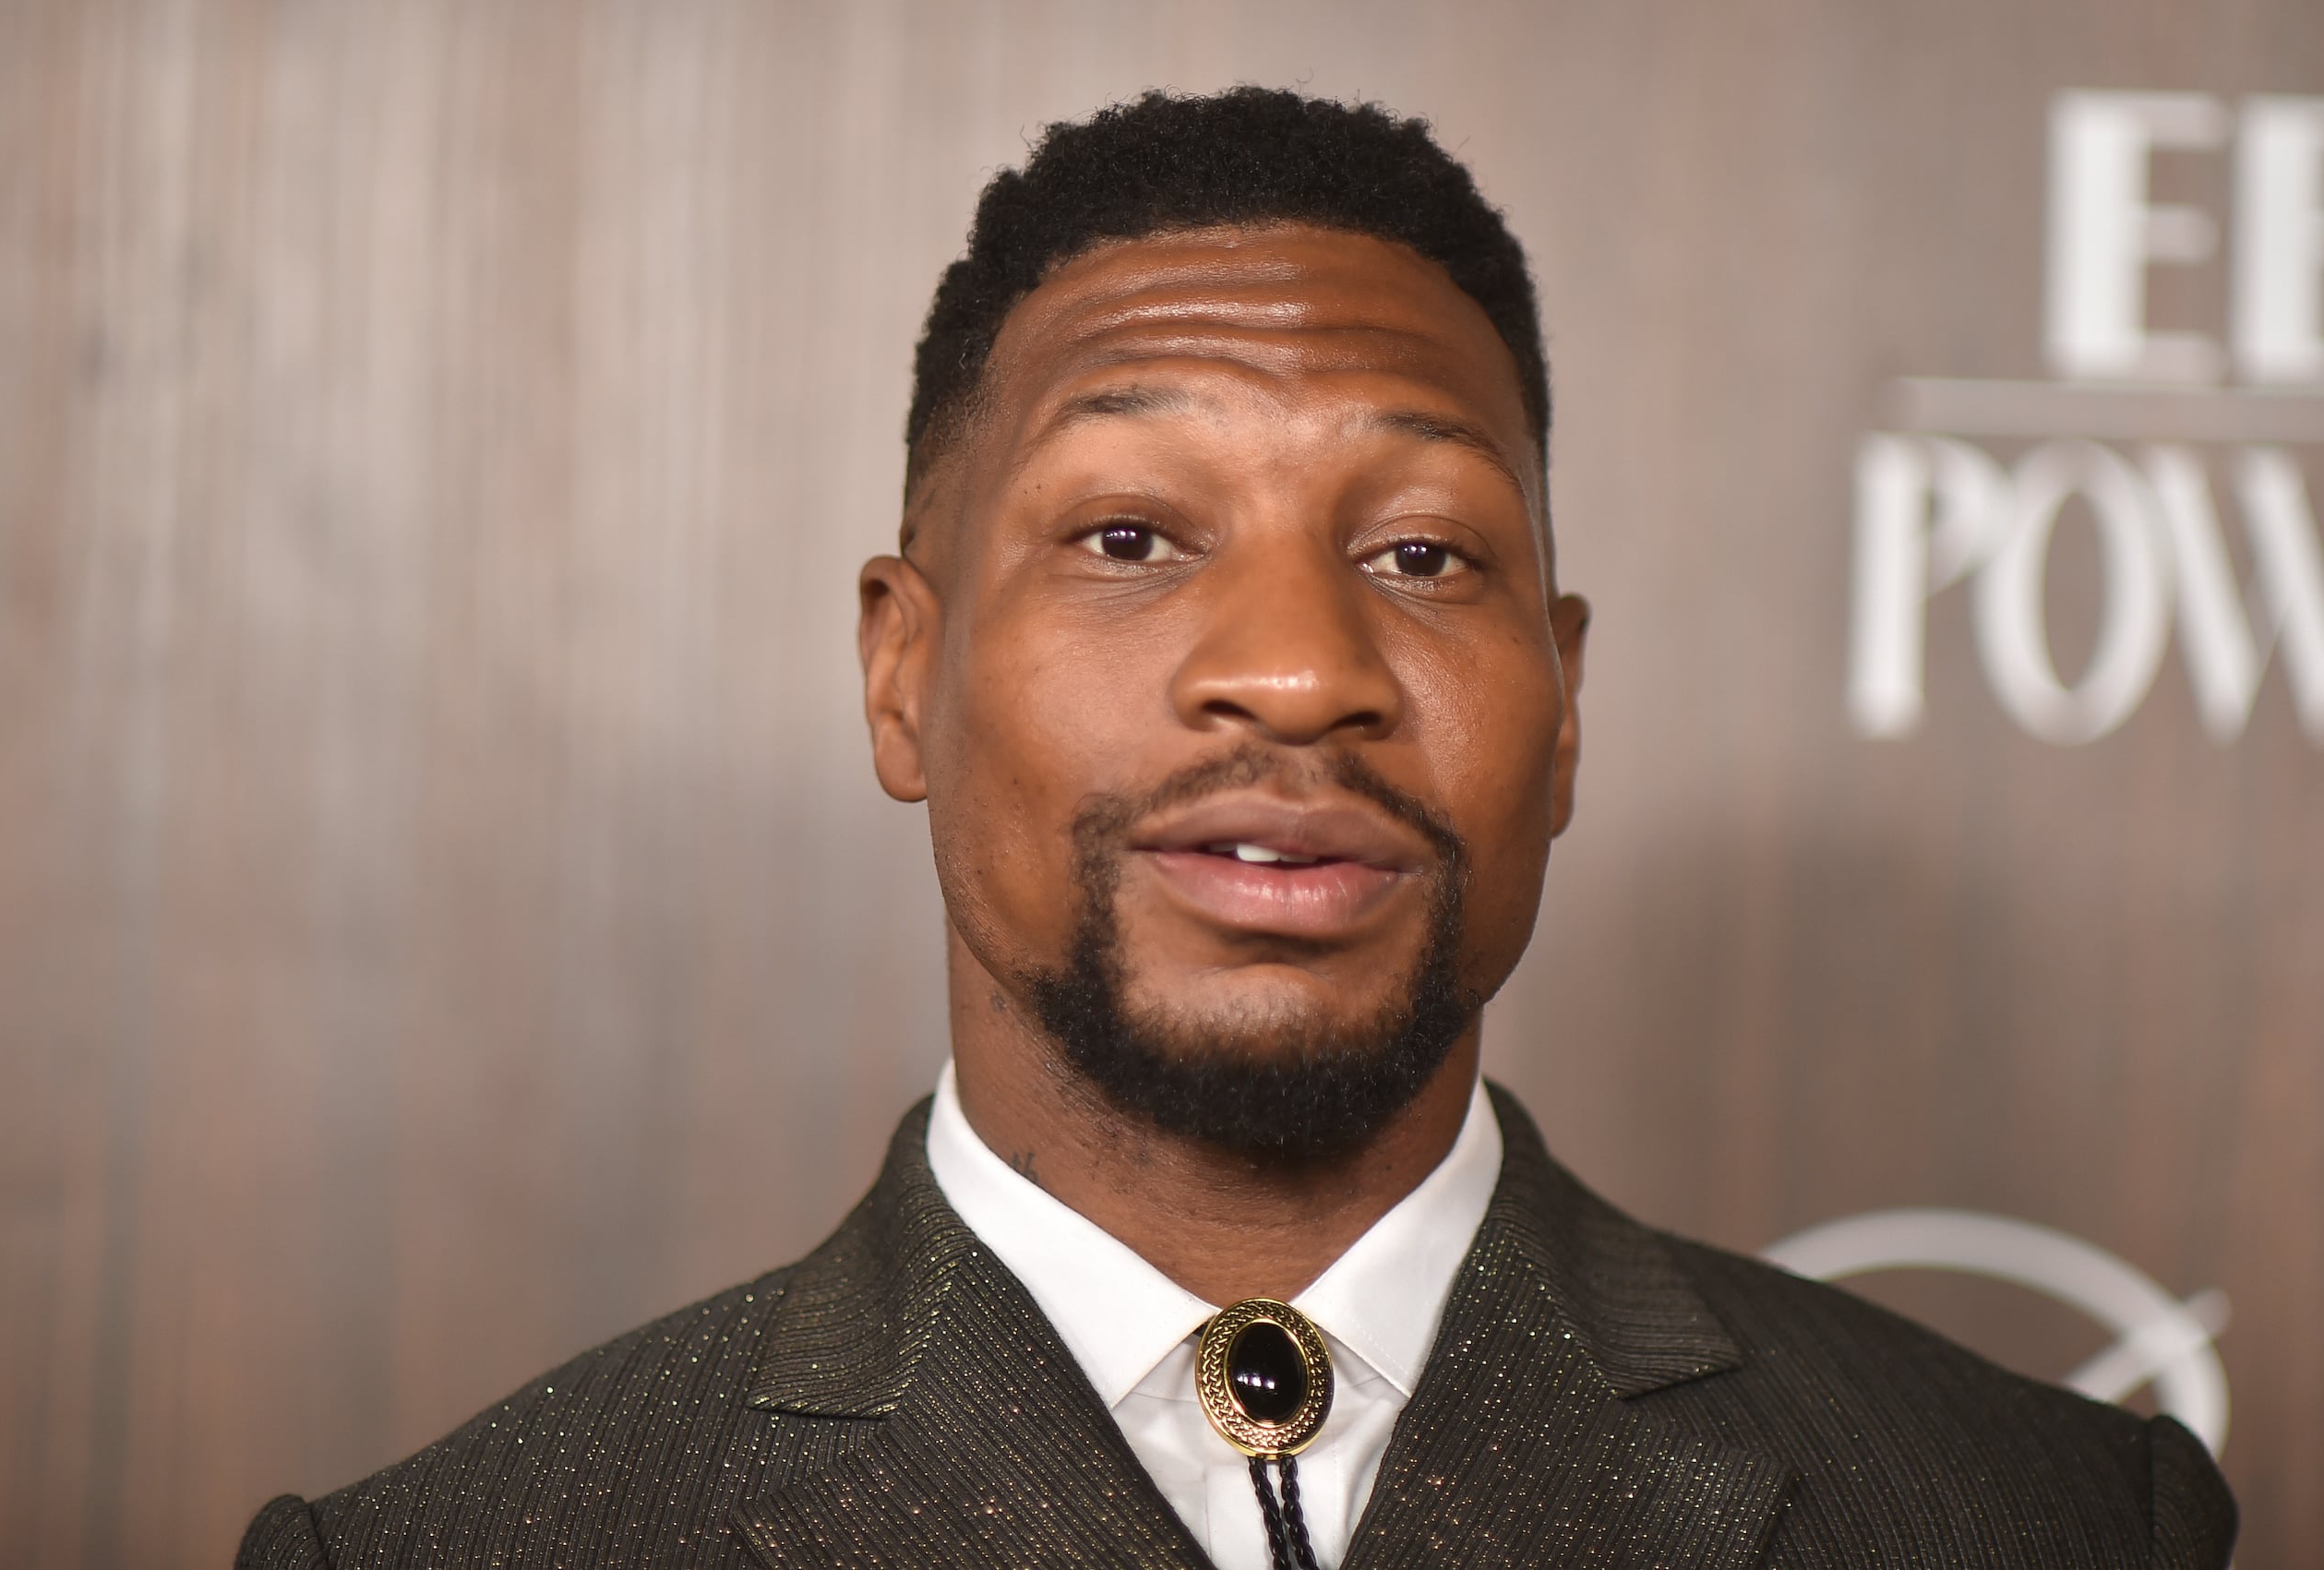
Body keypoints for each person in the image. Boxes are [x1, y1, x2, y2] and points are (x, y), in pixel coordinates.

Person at [236, 88, 2235, 1570]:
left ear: (1561, 709)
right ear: (897, 672)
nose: (1293, 669)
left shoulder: (2051, 1522)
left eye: (1420, 550)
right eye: (1125, 536)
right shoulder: (470, 1545)